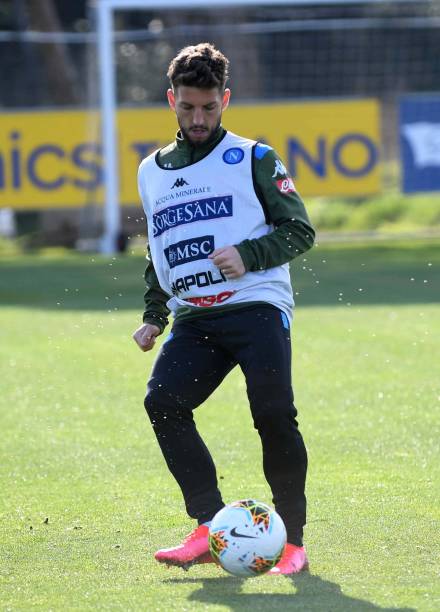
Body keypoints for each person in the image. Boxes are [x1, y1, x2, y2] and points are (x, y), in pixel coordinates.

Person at [133, 42, 315, 575]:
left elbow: (300, 230)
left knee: (273, 413)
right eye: (188, 107)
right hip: (194, 316)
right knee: (162, 402)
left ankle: (292, 542)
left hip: (256, 306)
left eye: (208, 108)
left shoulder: (255, 157)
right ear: (172, 100)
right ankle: (210, 527)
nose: (198, 118)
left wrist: (249, 255)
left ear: (225, 100)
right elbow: (159, 250)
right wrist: (154, 313)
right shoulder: (151, 171)